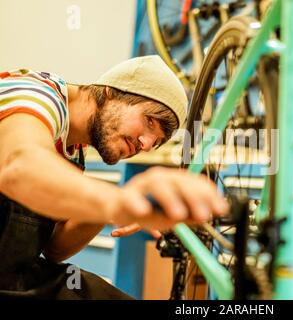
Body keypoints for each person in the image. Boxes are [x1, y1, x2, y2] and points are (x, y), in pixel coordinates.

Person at [0, 55, 229, 299]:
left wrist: (114, 209)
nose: (147, 143)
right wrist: (119, 201)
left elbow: (55, 249)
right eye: (149, 121)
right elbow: (19, 167)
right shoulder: (35, 94)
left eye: (159, 141)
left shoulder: (73, 150)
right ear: (111, 92)